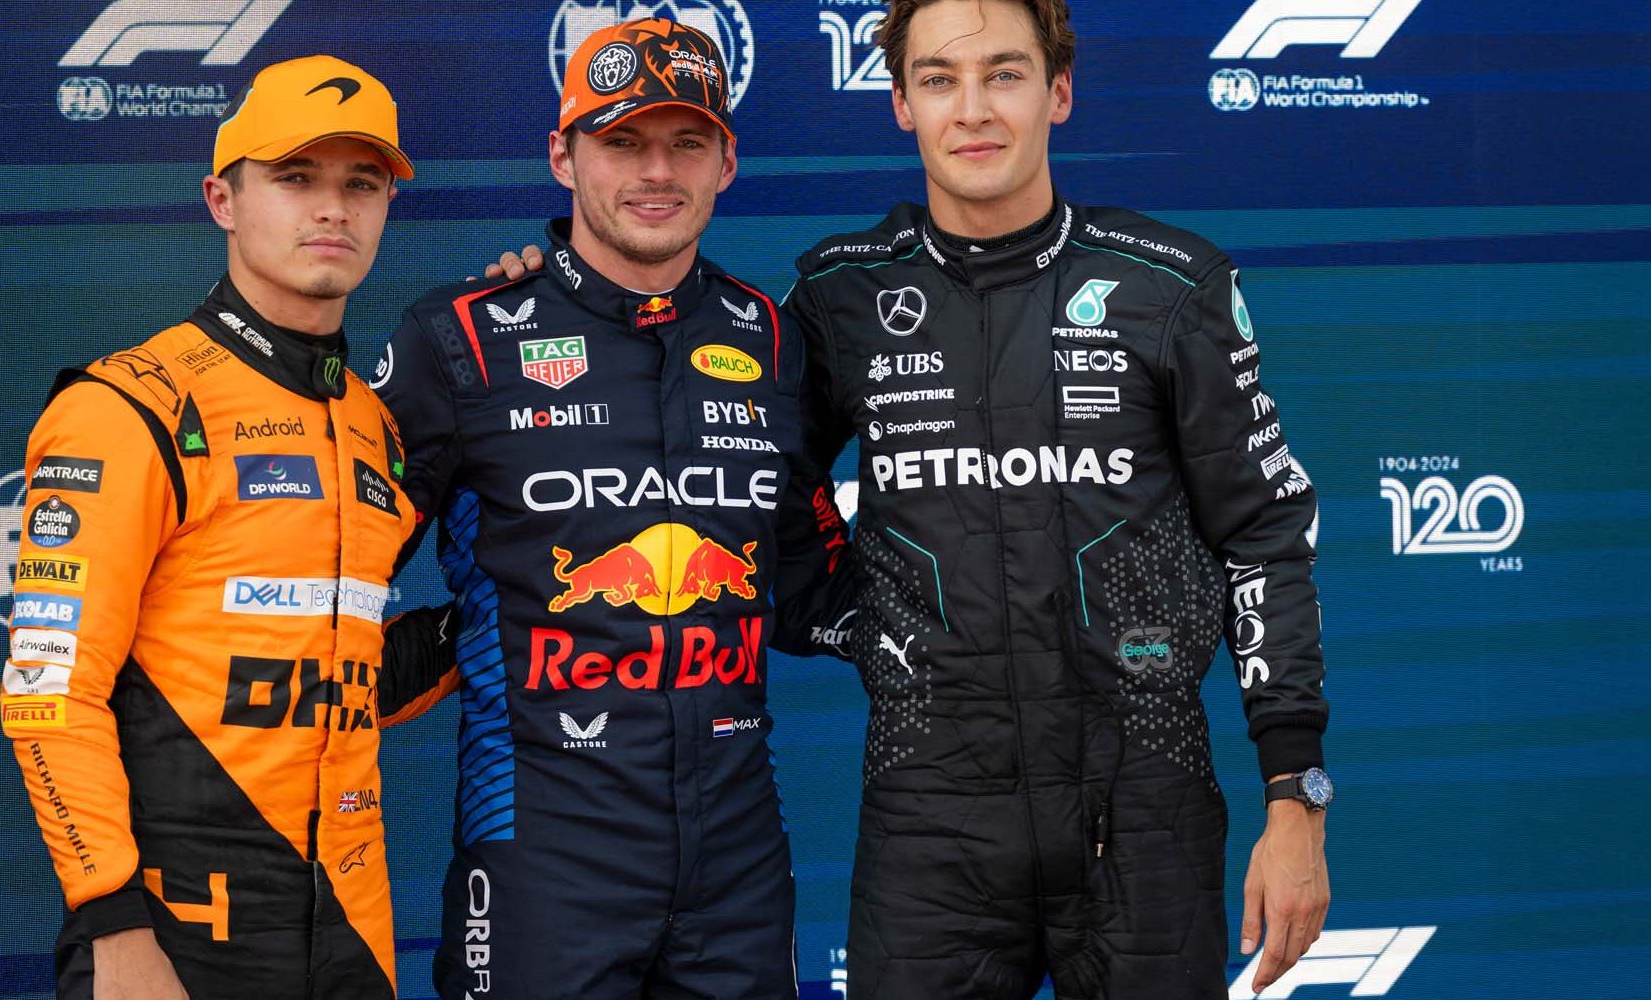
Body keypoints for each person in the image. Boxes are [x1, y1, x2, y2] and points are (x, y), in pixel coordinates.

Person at [491, 1, 1334, 996]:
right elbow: (738, 476)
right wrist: (556, 300)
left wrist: (1296, 796)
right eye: (939, 79)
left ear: (1059, 92)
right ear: (898, 103)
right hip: (930, 809)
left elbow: (1265, 538)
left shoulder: (1170, 285)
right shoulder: (841, 296)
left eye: (1005, 75)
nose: (973, 110)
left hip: (1146, 802)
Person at [376, 18, 848, 1000]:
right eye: (622, 141)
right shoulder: (461, 337)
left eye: (686, 143)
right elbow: (328, 564)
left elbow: (805, 572)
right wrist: (452, 642)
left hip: (737, 863)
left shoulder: (771, 338)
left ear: (727, 161)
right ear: (563, 155)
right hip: (543, 861)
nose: (656, 172)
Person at [0, 54, 459, 1000]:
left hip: (352, 929)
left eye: (360, 184)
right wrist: (112, 926)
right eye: (296, 178)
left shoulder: (375, 430)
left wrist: (483, 629)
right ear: (222, 198)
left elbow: (345, 671)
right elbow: (50, 689)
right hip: (175, 934)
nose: (332, 208)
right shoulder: (130, 407)